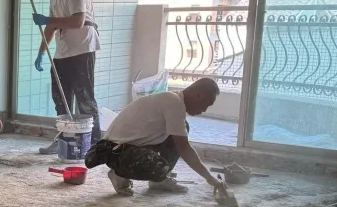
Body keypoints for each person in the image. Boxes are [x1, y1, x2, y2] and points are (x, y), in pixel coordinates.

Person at [84, 77, 229, 197]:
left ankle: (158, 181)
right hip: (115, 151)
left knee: (182, 129)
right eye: (206, 104)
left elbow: (179, 142)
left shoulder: (173, 100)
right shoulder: (174, 103)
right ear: (198, 96)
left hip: (128, 146)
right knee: (158, 166)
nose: (204, 110)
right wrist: (210, 179)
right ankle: (119, 174)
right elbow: (184, 148)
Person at [31, 0, 101, 154]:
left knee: (85, 98)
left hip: (82, 49)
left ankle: (94, 144)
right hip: (63, 52)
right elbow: (52, 26)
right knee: (61, 98)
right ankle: (64, 139)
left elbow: (78, 21)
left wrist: (47, 20)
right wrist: (41, 52)